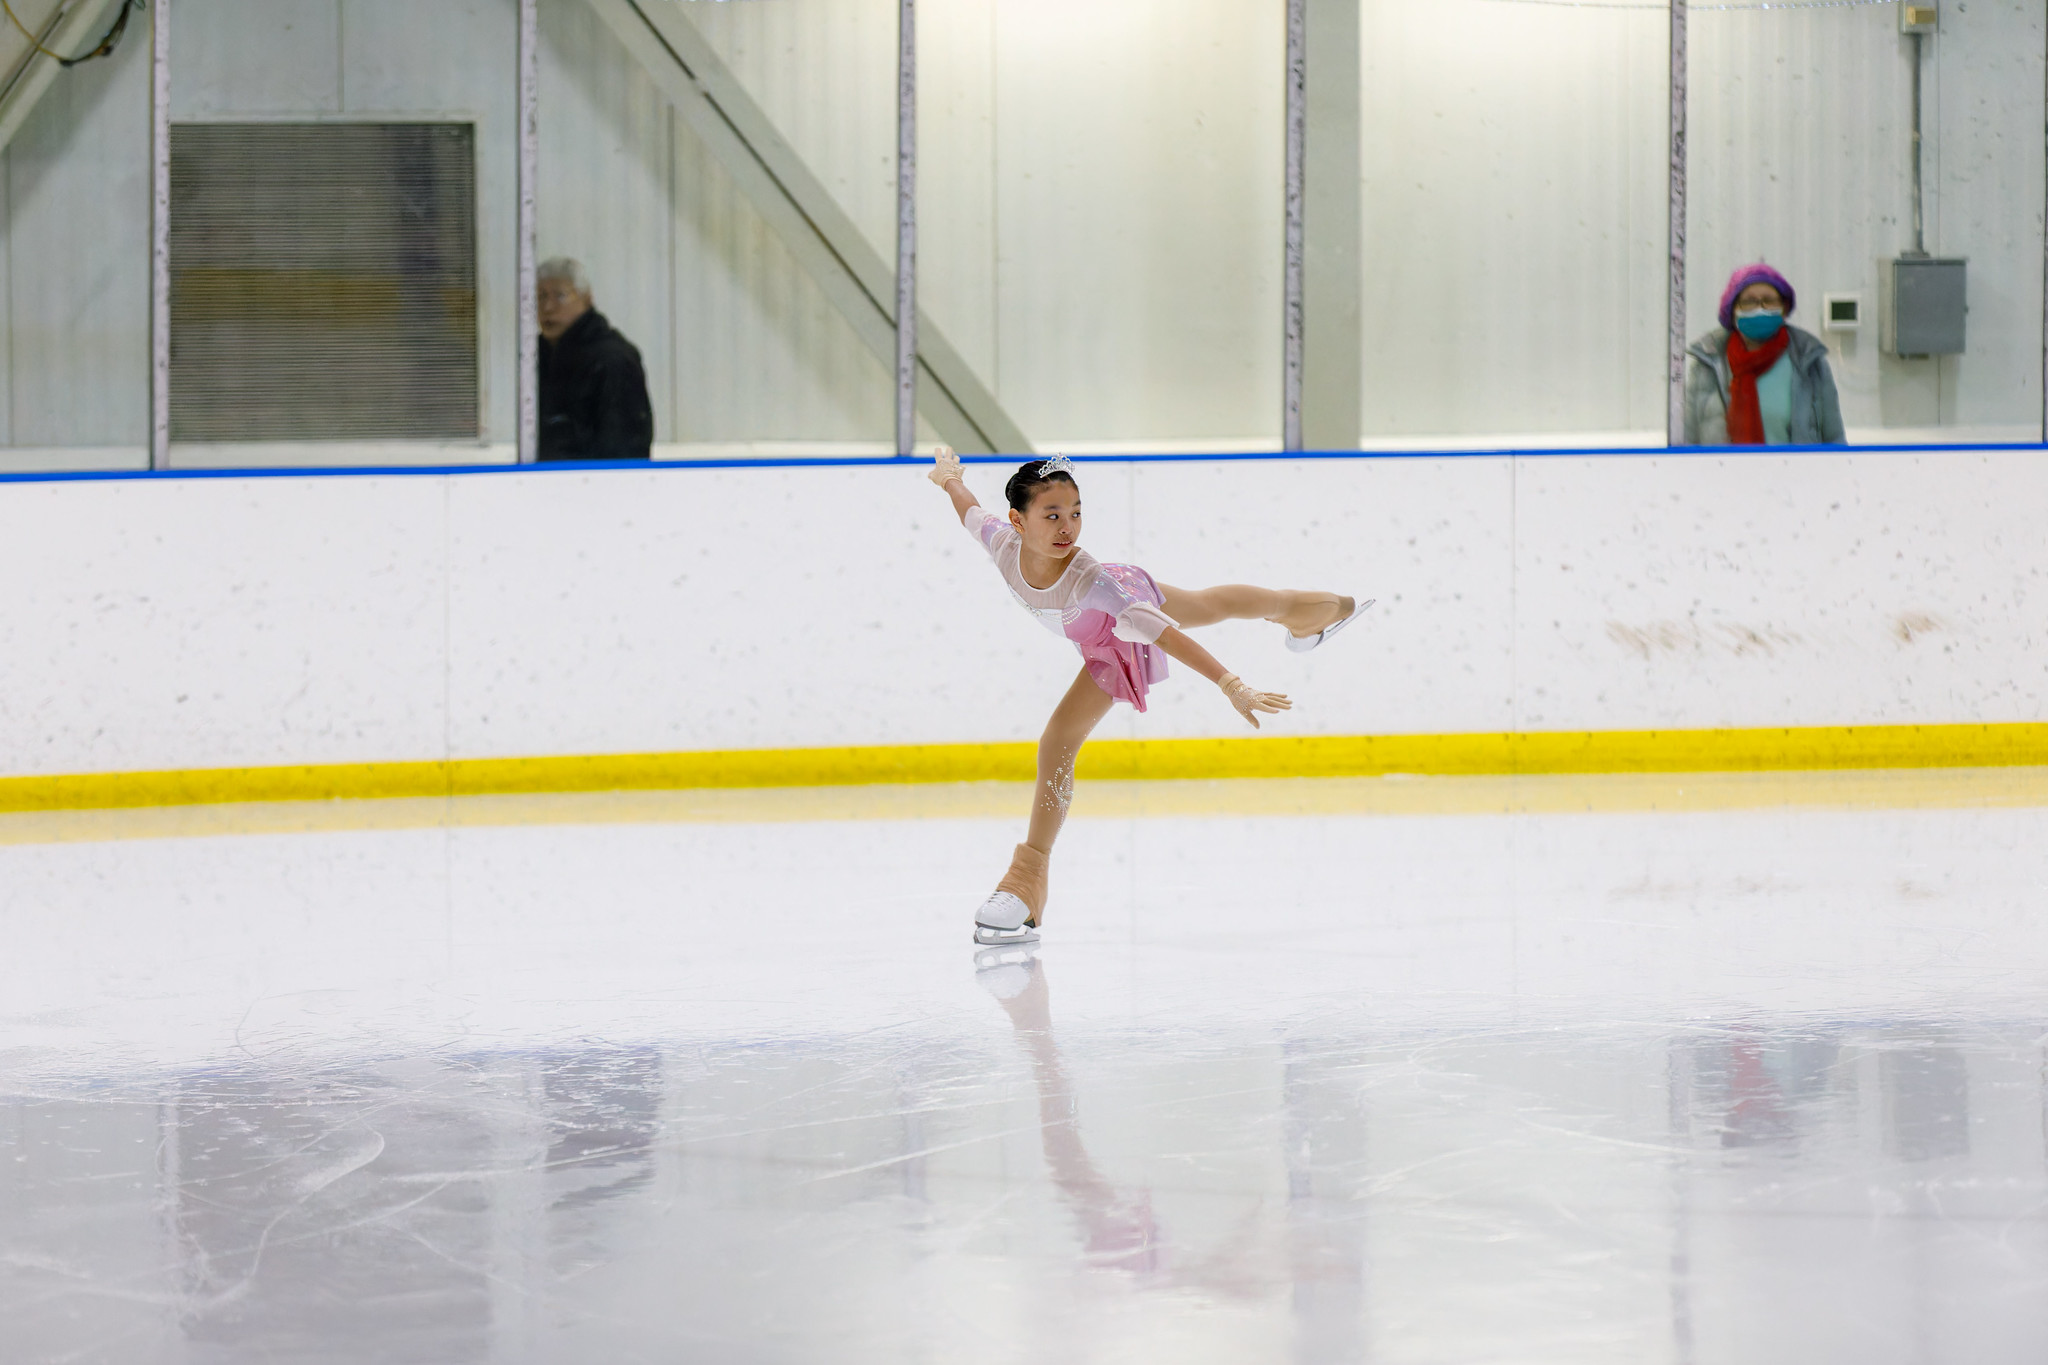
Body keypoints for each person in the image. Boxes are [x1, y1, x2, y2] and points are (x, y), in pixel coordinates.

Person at [930, 449, 1369, 947]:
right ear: (1018, 520)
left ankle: (1026, 884)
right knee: (1208, 604)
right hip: (1109, 603)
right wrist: (949, 477)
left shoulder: (1092, 581)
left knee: (1058, 740)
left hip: (1114, 629)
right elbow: (968, 507)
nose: (1067, 527)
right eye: (1051, 515)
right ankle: (1309, 610)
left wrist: (1232, 684)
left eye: (1075, 513)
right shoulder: (1001, 542)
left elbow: (1167, 637)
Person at [1683, 263, 1845, 446]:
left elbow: (1834, 438)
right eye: (1749, 301)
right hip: (1724, 473)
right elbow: (1688, 439)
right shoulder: (1708, 365)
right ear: (1732, 309)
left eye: (1769, 300)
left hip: (1795, 473)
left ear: (1784, 309)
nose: (1760, 307)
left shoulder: (1810, 362)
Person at [536, 257, 654, 461]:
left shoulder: (613, 359)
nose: (548, 307)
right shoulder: (536, 355)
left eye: (560, 296)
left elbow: (625, 447)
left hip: (595, 485)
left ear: (587, 299)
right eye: (541, 297)